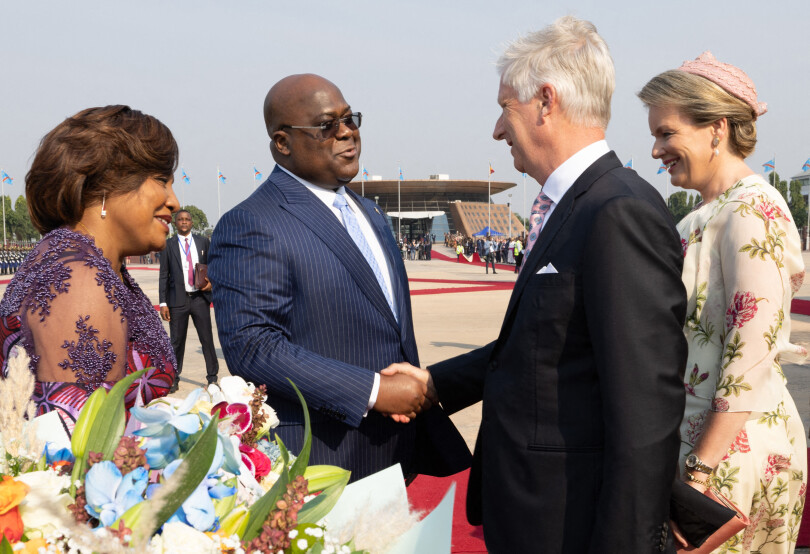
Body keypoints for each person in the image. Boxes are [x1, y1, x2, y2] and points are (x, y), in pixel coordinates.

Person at [387, 16, 687, 552]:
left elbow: (645, 414)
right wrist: (434, 385)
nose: (498, 130)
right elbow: (539, 347)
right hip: (534, 513)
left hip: (571, 521)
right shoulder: (577, 206)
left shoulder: (617, 212)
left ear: (546, 102)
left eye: (506, 108)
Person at [209, 73, 470, 482]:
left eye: (351, 120)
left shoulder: (371, 214)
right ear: (282, 142)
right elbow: (253, 346)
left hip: (398, 452)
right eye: (327, 125)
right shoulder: (252, 223)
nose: (347, 133)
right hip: (324, 460)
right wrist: (372, 391)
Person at [639, 52, 808, 552]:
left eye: (666, 133)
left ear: (716, 129)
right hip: (704, 449)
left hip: (732, 456)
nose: (655, 150)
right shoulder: (706, 215)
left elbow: (750, 351)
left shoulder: (753, 209)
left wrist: (701, 471)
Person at [0, 105, 178, 433]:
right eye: (161, 180)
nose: (174, 200)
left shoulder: (89, 263)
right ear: (109, 182)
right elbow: (81, 448)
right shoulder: (77, 278)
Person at [159, 209, 219, 391]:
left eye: (187, 219)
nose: (184, 222)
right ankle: (174, 378)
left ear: (192, 223)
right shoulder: (168, 245)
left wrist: (211, 284)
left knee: (207, 339)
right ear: (175, 224)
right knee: (176, 341)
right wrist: (163, 303)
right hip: (178, 300)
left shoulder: (202, 242)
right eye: (180, 219)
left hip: (200, 299)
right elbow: (163, 275)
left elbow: (213, 266)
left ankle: (212, 378)